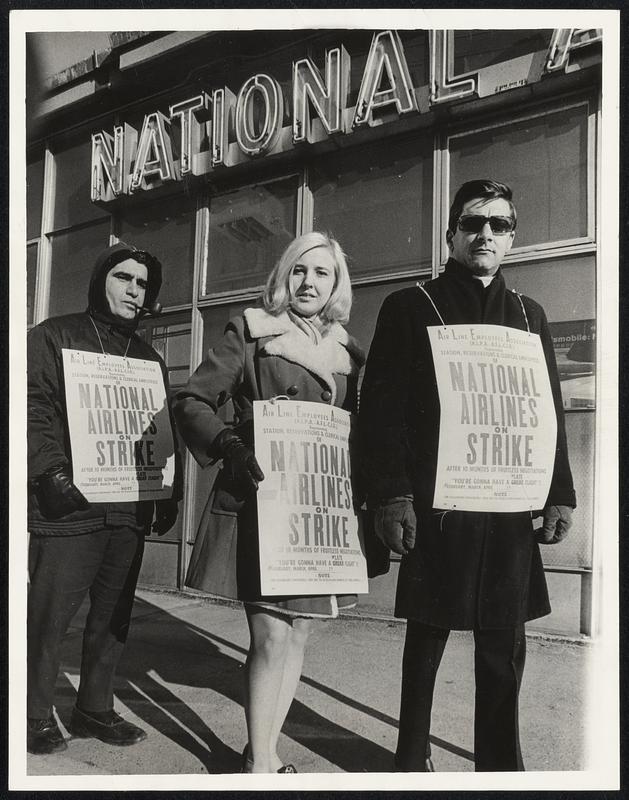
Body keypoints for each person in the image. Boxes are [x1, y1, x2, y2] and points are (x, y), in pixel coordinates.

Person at [358, 180, 576, 772]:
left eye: (499, 225)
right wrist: (391, 494)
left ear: (511, 237)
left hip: (507, 509)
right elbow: (381, 409)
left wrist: (558, 492)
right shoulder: (410, 307)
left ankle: (500, 766)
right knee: (426, 639)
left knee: (503, 648)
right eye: (473, 222)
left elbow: (546, 410)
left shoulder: (531, 316)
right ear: (451, 232)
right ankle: (410, 760)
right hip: (437, 506)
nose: (485, 234)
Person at [173, 232, 364, 773]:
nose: (309, 282)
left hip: (316, 507)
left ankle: (265, 750)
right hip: (262, 500)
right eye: (299, 271)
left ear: (335, 285)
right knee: (272, 634)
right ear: (284, 277)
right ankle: (260, 769)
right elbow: (191, 398)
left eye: (322, 273)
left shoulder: (348, 352)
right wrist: (228, 441)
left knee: (299, 631)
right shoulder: (251, 331)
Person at [27, 241, 181, 755]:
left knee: (112, 618)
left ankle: (94, 707)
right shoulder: (54, 336)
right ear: (100, 280)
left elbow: (159, 428)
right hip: (69, 506)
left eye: (143, 284)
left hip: (127, 507)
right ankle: (31, 713)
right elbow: (31, 406)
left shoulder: (149, 358)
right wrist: (49, 472)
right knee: (50, 618)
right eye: (124, 278)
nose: (135, 291)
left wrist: (165, 490)